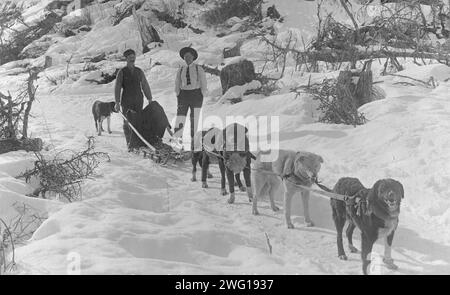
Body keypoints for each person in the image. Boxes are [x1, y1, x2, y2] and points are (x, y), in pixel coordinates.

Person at [114, 49, 154, 149]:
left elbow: (145, 85)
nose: (132, 59)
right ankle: (129, 143)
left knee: (138, 120)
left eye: (133, 57)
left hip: (138, 99)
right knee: (127, 121)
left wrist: (149, 98)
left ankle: (138, 141)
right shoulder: (122, 72)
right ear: (126, 59)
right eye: (130, 57)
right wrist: (117, 102)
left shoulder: (139, 71)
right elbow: (117, 87)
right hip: (126, 99)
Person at [173, 47, 207, 151]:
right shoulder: (181, 69)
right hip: (183, 95)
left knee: (194, 119)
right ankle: (177, 142)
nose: (187, 58)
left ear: (193, 57)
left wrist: (202, 94)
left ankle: (194, 143)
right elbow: (177, 82)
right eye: (185, 57)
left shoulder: (198, 68)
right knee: (180, 117)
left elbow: (203, 82)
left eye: (189, 56)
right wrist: (178, 93)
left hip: (196, 95)